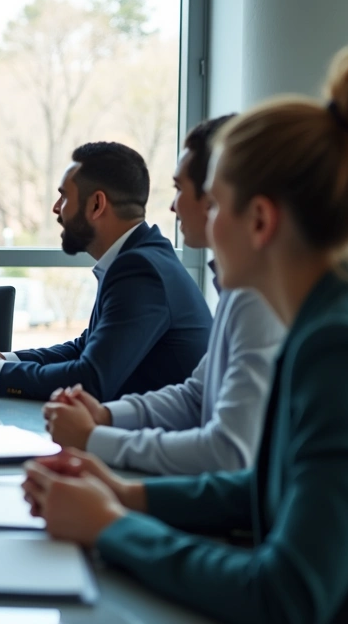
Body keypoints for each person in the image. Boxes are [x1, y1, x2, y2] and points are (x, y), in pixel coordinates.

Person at [23, 47, 348, 623]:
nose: (199, 221)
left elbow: (284, 596)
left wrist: (113, 527)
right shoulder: (336, 317)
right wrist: (126, 493)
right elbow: (270, 485)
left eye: (217, 206)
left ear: (260, 221)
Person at [43, 116, 285, 475]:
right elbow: (195, 395)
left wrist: (95, 439)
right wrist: (105, 416)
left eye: (212, 200)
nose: (172, 207)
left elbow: (229, 455)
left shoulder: (262, 300)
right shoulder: (242, 290)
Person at [0, 142, 211, 401]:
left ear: (97, 205)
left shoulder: (140, 269)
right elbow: (84, 348)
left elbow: (90, 379)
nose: (56, 207)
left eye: (64, 196)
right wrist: (3, 359)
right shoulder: (137, 256)